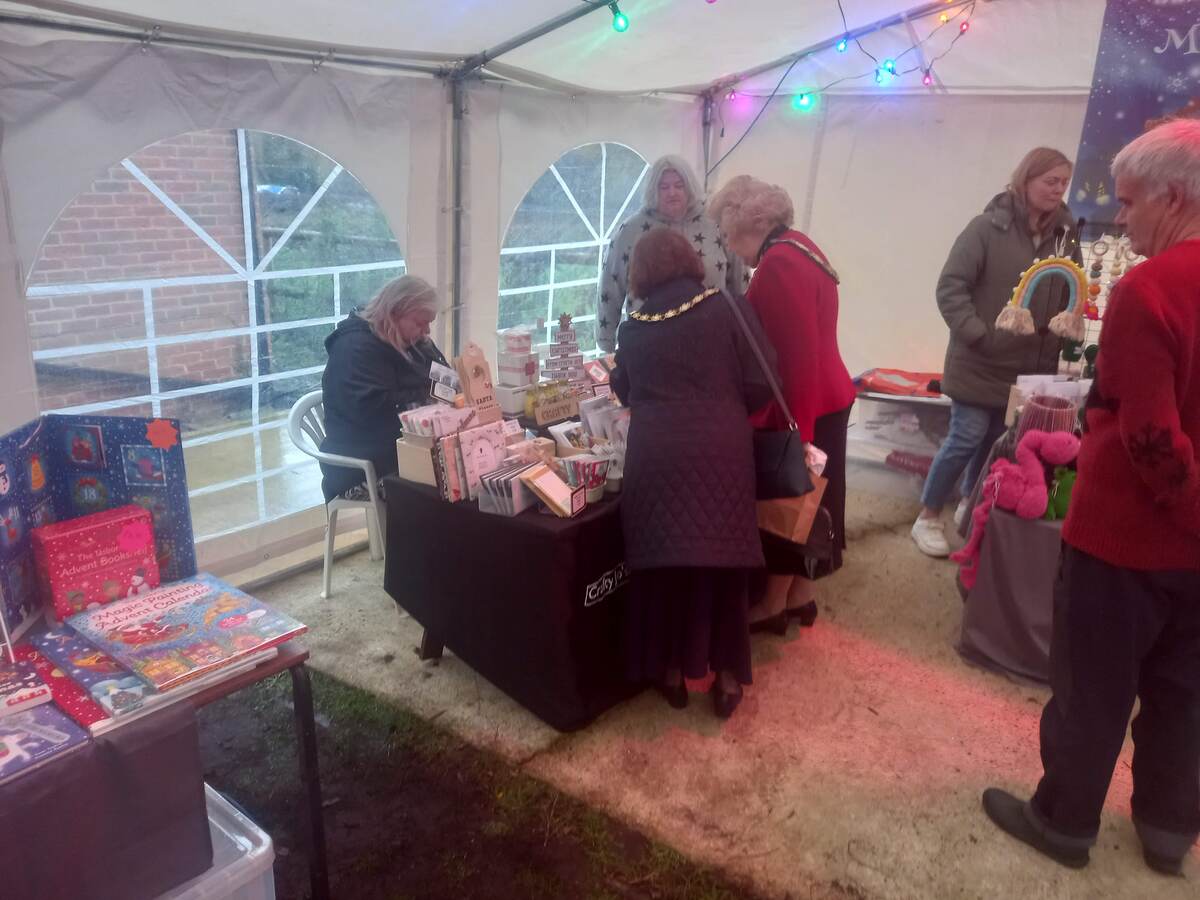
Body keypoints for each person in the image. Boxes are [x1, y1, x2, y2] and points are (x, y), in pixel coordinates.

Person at [981, 119, 1200, 874]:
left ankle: (1065, 821)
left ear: (1174, 198)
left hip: (1126, 543)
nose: (1121, 218)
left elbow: (1152, 443)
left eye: (1132, 202)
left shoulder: (1151, 287)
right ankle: (1169, 832)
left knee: (1093, 691)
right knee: (1185, 697)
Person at [610, 227, 775, 719]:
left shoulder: (633, 325)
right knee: (721, 565)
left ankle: (670, 672)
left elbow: (625, 389)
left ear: (639, 273)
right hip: (721, 448)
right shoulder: (728, 307)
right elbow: (763, 381)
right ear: (690, 259)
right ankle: (726, 677)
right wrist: (721, 409)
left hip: (656, 453)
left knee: (665, 566)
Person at [912, 148, 1080, 557]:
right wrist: (978, 335)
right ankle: (928, 515)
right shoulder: (986, 229)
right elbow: (950, 287)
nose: (1058, 190)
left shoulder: (1065, 236)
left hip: (1027, 369)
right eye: (1050, 181)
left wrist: (1062, 339)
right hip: (979, 360)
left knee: (995, 442)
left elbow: (1070, 295)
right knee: (966, 436)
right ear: (1026, 180)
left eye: (1063, 182)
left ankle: (970, 506)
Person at [707, 175, 856, 634]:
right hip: (826, 397)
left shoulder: (779, 265)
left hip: (804, 406)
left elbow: (795, 359)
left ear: (744, 222)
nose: (729, 247)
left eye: (727, 233)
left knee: (791, 506)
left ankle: (774, 603)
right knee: (817, 503)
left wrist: (801, 438)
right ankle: (801, 597)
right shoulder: (799, 246)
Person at [319, 274, 447, 502]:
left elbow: (448, 383)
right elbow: (375, 412)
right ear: (394, 312)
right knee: (448, 481)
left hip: (404, 453)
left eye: (429, 323)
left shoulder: (413, 343)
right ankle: (422, 537)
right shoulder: (353, 349)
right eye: (420, 323)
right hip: (363, 468)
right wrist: (428, 396)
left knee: (473, 466)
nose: (427, 330)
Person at [596, 155, 744, 353]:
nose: (671, 193)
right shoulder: (631, 230)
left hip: (710, 339)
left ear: (690, 187)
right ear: (653, 190)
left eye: (678, 185)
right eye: (663, 187)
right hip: (648, 342)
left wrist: (743, 331)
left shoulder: (715, 223)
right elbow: (610, 285)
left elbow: (738, 280)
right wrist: (606, 343)